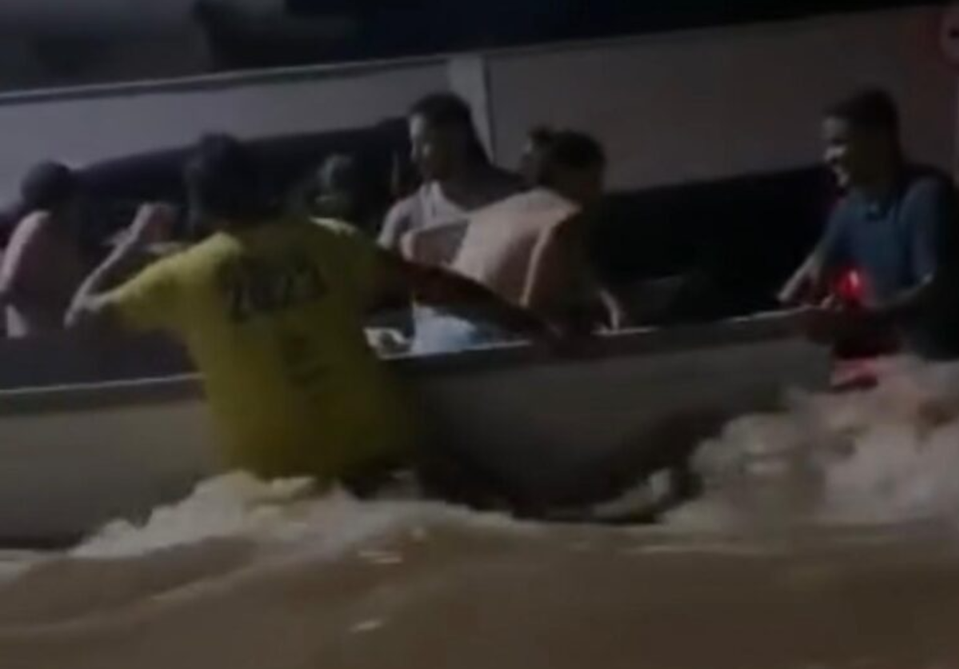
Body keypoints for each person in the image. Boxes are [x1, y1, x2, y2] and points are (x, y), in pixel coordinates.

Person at [66, 135, 556, 489]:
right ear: (263, 186)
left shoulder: (181, 277)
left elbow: (80, 322)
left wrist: (130, 246)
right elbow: (434, 286)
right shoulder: (331, 240)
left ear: (202, 205)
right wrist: (527, 321)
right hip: (383, 457)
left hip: (281, 487)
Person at [780, 88, 959, 360]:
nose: (829, 157)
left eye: (839, 143)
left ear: (880, 141)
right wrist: (791, 315)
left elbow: (935, 292)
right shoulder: (849, 210)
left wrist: (858, 321)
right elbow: (808, 279)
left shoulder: (927, 196)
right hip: (929, 365)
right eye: (827, 146)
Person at [409, 131, 626, 354]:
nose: (598, 193)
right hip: (484, 345)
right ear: (570, 175)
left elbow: (415, 240)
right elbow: (537, 307)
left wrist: (608, 300)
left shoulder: (503, 209)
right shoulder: (566, 216)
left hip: (434, 337)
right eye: (595, 181)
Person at [378, 92, 520, 261]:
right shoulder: (407, 216)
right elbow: (379, 279)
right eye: (413, 144)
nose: (414, 156)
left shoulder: (513, 197)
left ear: (458, 138)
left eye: (425, 142)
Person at [0, 162, 95, 338]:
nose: (79, 206)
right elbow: (7, 289)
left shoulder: (63, 233)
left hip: (59, 339)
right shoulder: (37, 227)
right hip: (38, 345)